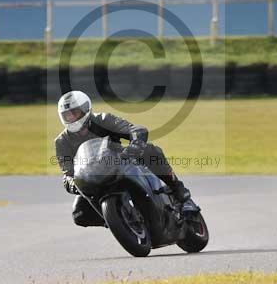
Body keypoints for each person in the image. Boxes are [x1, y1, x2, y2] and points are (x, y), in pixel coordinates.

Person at [54, 90, 192, 228]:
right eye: (67, 115)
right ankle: (118, 222)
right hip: (93, 177)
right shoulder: (61, 141)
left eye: (75, 112)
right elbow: (68, 173)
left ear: (85, 109)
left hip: (120, 161)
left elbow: (133, 130)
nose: (71, 117)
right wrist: (73, 183)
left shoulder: (103, 120)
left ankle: (179, 190)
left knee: (150, 150)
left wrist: (135, 145)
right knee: (79, 215)